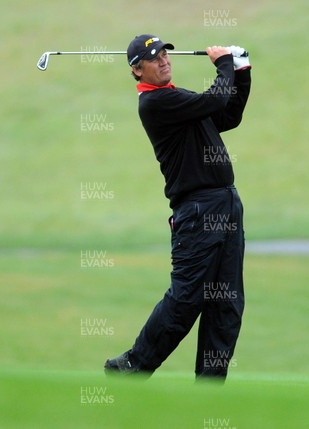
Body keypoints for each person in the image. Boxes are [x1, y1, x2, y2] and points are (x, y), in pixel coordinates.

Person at [104, 34, 251, 381]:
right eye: (154, 58)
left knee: (226, 303)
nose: (164, 61)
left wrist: (241, 72)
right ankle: (134, 364)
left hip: (225, 204)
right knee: (186, 298)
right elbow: (214, 100)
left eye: (165, 54)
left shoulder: (175, 98)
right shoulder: (154, 104)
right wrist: (224, 64)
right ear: (137, 71)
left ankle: (209, 385)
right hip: (198, 212)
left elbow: (228, 115)